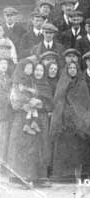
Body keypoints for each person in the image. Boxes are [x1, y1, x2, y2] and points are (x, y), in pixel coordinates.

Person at [7, 58, 50, 186]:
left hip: (30, 117)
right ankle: (19, 178)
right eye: (28, 68)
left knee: (32, 147)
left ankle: (33, 177)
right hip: (21, 118)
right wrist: (25, 103)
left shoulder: (32, 82)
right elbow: (14, 99)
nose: (30, 71)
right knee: (20, 146)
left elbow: (35, 94)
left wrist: (35, 101)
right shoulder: (16, 82)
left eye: (31, 68)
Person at [50, 61, 90, 180]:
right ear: (67, 69)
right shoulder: (62, 82)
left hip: (78, 124)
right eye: (70, 68)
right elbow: (58, 102)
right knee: (64, 148)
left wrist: (79, 118)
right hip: (65, 122)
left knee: (78, 149)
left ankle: (77, 175)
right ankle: (63, 175)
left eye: (75, 68)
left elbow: (85, 104)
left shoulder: (82, 83)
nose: (72, 70)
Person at [0, 58, 12, 166]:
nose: (4, 65)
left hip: (5, 113)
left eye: (6, 64)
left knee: (4, 138)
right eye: (2, 63)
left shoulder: (8, 78)